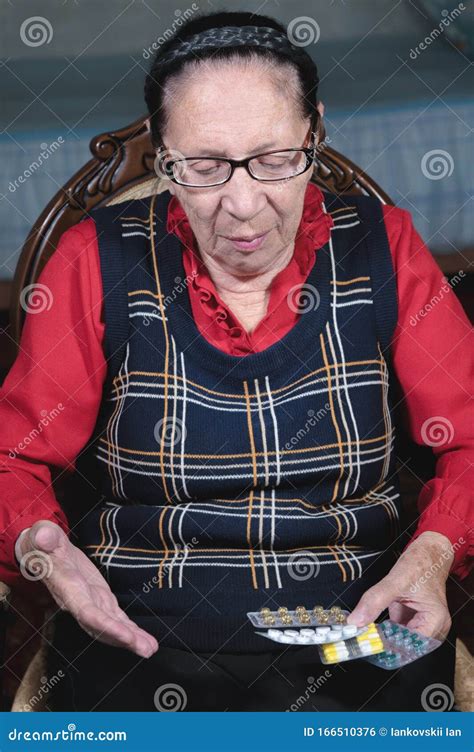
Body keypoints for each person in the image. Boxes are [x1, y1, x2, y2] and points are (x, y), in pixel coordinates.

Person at [0, 11, 472, 711]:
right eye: (204, 167)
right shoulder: (92, 260)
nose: (244, 206)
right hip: (136, 632)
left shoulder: (386, 250)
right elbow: (14, 458)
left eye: (277, 159)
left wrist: (432, 557)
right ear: (164, 158)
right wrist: (48, 552)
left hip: (360, 628)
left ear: (315, 134)